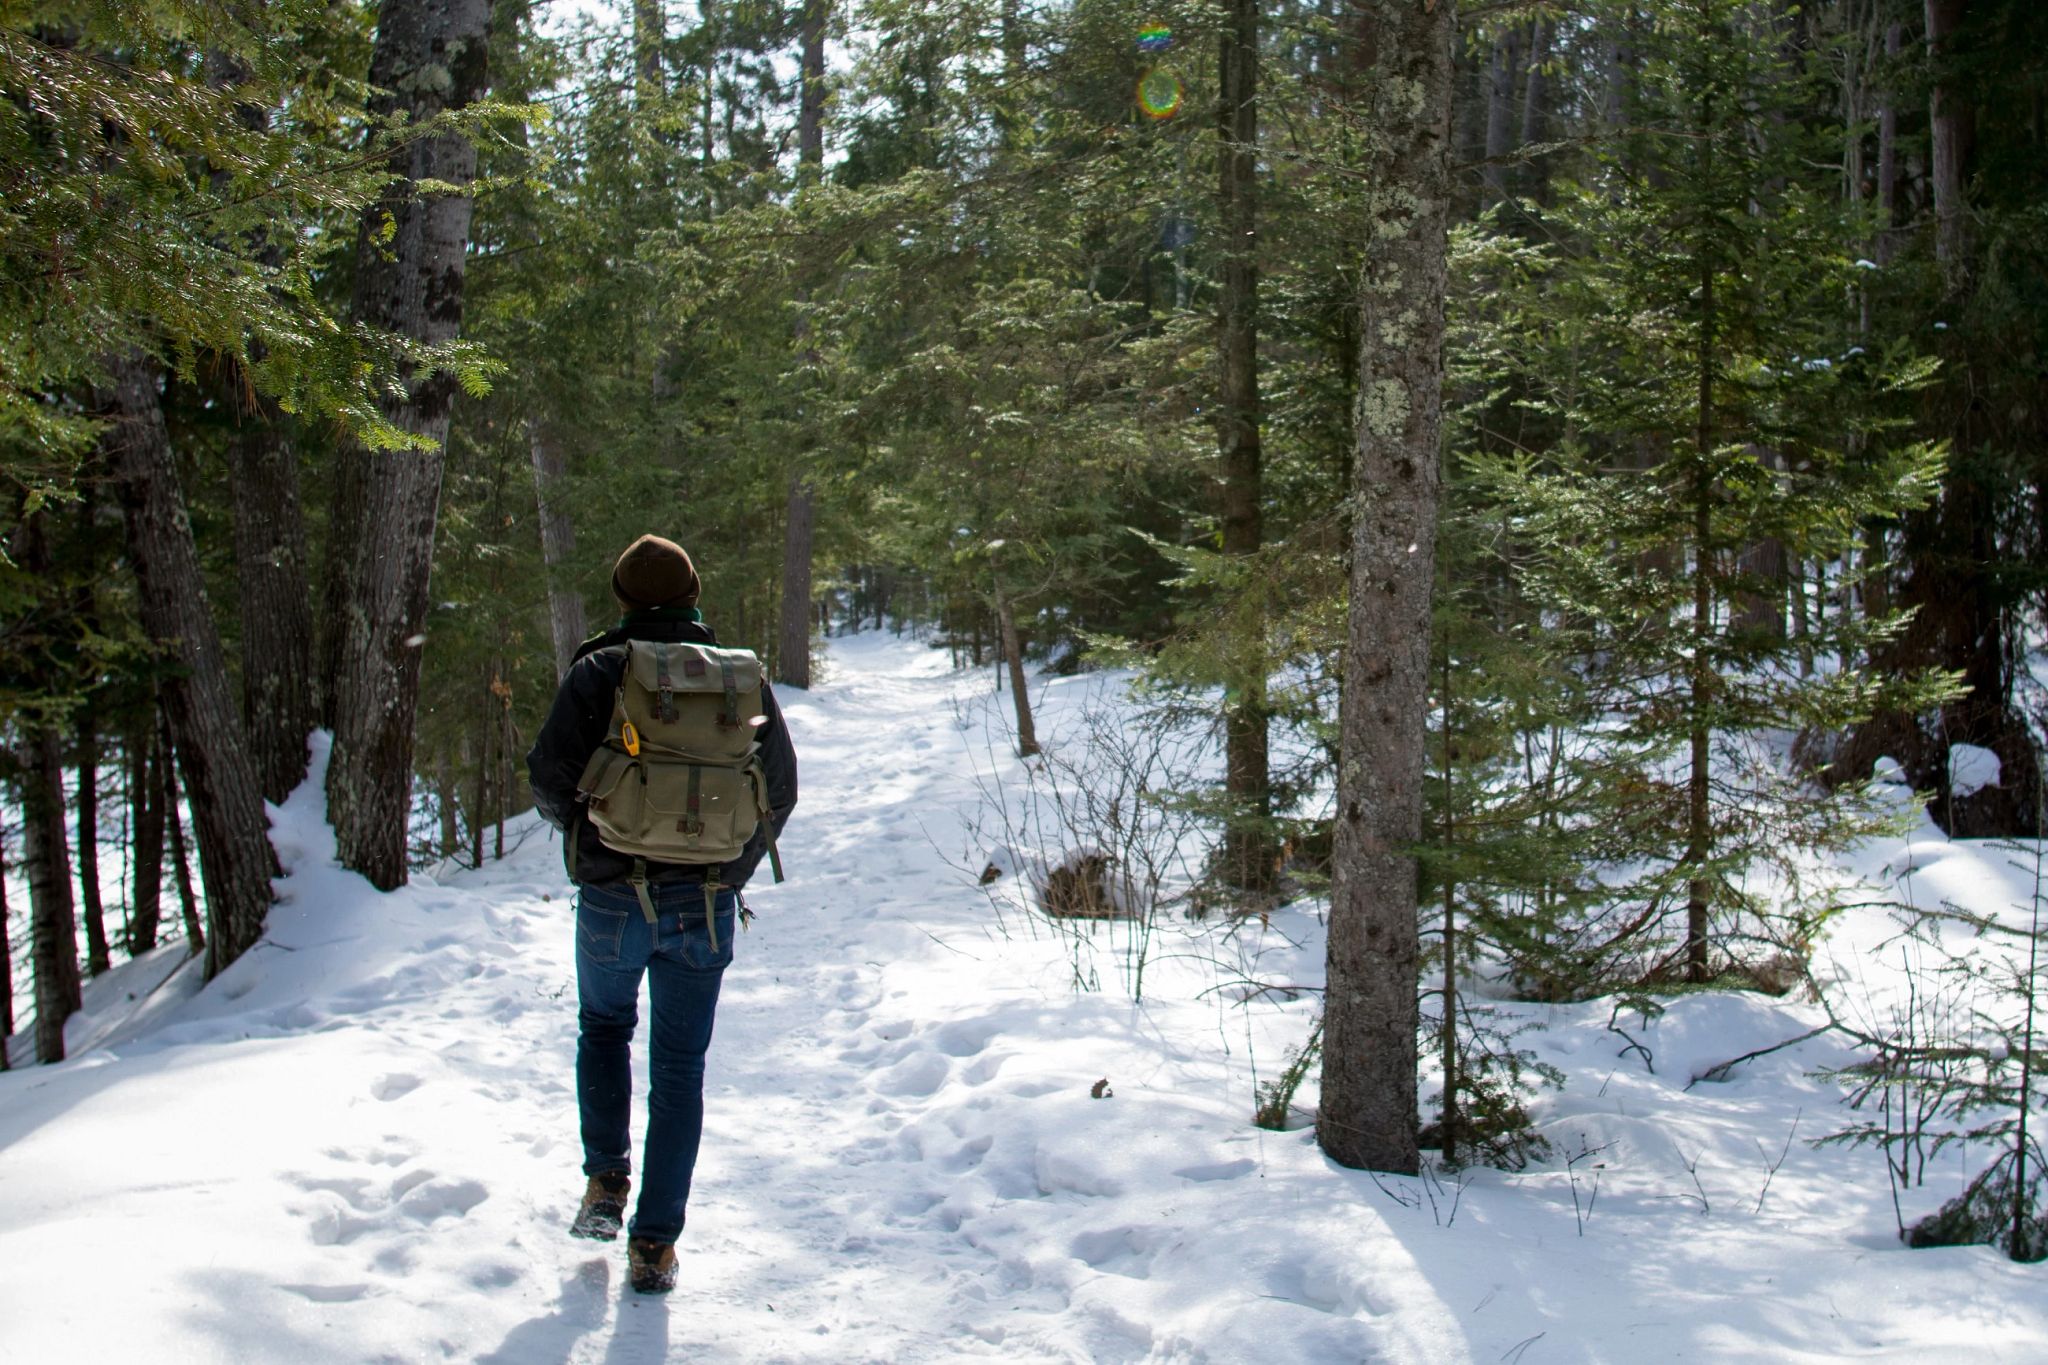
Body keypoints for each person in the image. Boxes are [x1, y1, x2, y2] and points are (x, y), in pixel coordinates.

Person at [526, 534, 798, 1294]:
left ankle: (606, 1184)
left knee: (604, 1028)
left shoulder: (599, 672)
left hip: (614, 894)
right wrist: (727, 870)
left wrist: (592, 839)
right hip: (706, 902)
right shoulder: (740, 678)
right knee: (681, 1069)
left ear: (623, 597)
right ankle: (655, 1244)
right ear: (691, 596)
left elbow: (550, 777)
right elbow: (780, 790)